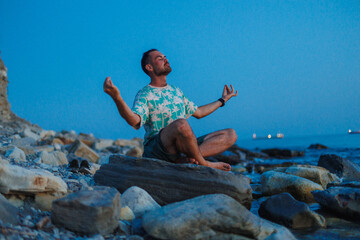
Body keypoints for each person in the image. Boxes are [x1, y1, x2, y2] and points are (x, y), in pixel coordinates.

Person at [103, 49, 238, 171]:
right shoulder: (145, 94)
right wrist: (117, 98)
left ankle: (184, 159)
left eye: (165, 57)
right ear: (149, 67)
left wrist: (222, 100)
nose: (165, 59)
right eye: (160, 58)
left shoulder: (176, 91)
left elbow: (199, 112)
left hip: (180, 146)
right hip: (158, 148)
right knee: (182, 124)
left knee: (231, 134)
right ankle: (205, 163)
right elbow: (133, 120)